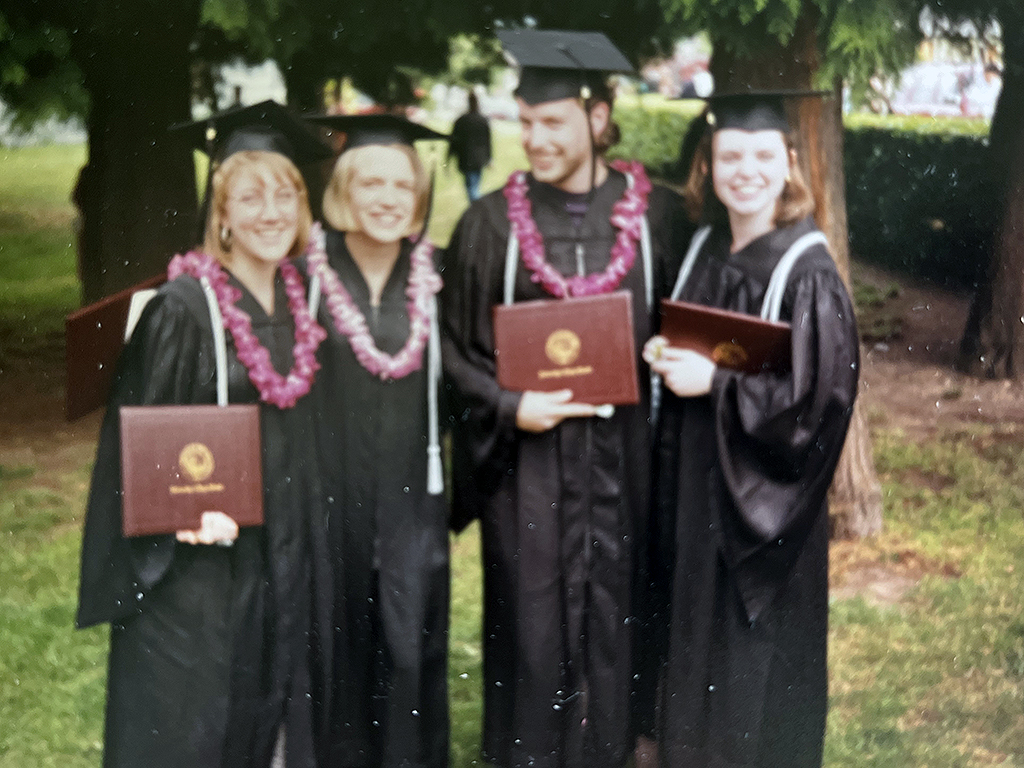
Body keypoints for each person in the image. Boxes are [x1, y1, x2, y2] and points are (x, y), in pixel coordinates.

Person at [441, 29, 691, 768]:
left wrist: (665, 353)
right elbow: (454, 353)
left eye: (551, 123)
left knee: (625, 612)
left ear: (599, 118)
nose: (533, 139)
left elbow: (689, 324)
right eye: (524, 122)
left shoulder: (659, 218)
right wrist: (512, 405)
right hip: (532, 470)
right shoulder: (489, 227)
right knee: (534, 623)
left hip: (628, 463)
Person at [76, 104, 334, 768]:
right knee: (197, 726)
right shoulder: (183, 310)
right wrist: (177, 515)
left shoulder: (303, 303)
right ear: (220, 212)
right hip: (203, 573)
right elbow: (136, 454)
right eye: (250, 197)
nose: (271, 212)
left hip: (284, 554)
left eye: (285, 194)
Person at [641, 92, 859, 767]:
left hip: (761, 514)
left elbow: (819, 405)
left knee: (745, 660)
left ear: (790, 163)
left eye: (764, 156)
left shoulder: (808, 270)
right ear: (708, 164)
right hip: (697, 491)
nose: (746, 171)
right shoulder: (705, 242)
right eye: (730, 155)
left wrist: (716, 384)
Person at [301, 113, 450, 768]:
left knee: (408, 646)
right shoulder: (303, 277)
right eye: (371, 183)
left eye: (401, 185)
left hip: (410, 504)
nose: (388, 199)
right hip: (325, 506)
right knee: (331, 644)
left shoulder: (437, 278)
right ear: (342, 191)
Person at [448, 91, 492, 202]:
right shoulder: (482, 120)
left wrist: (448, 158)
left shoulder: (461, 120)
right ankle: (476, 209)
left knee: (471, 187)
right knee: (474, 185)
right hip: (479, 159)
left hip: (466, 158)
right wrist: (489, 158)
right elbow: (488, 142)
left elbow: (453, 142)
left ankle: (476, 210)